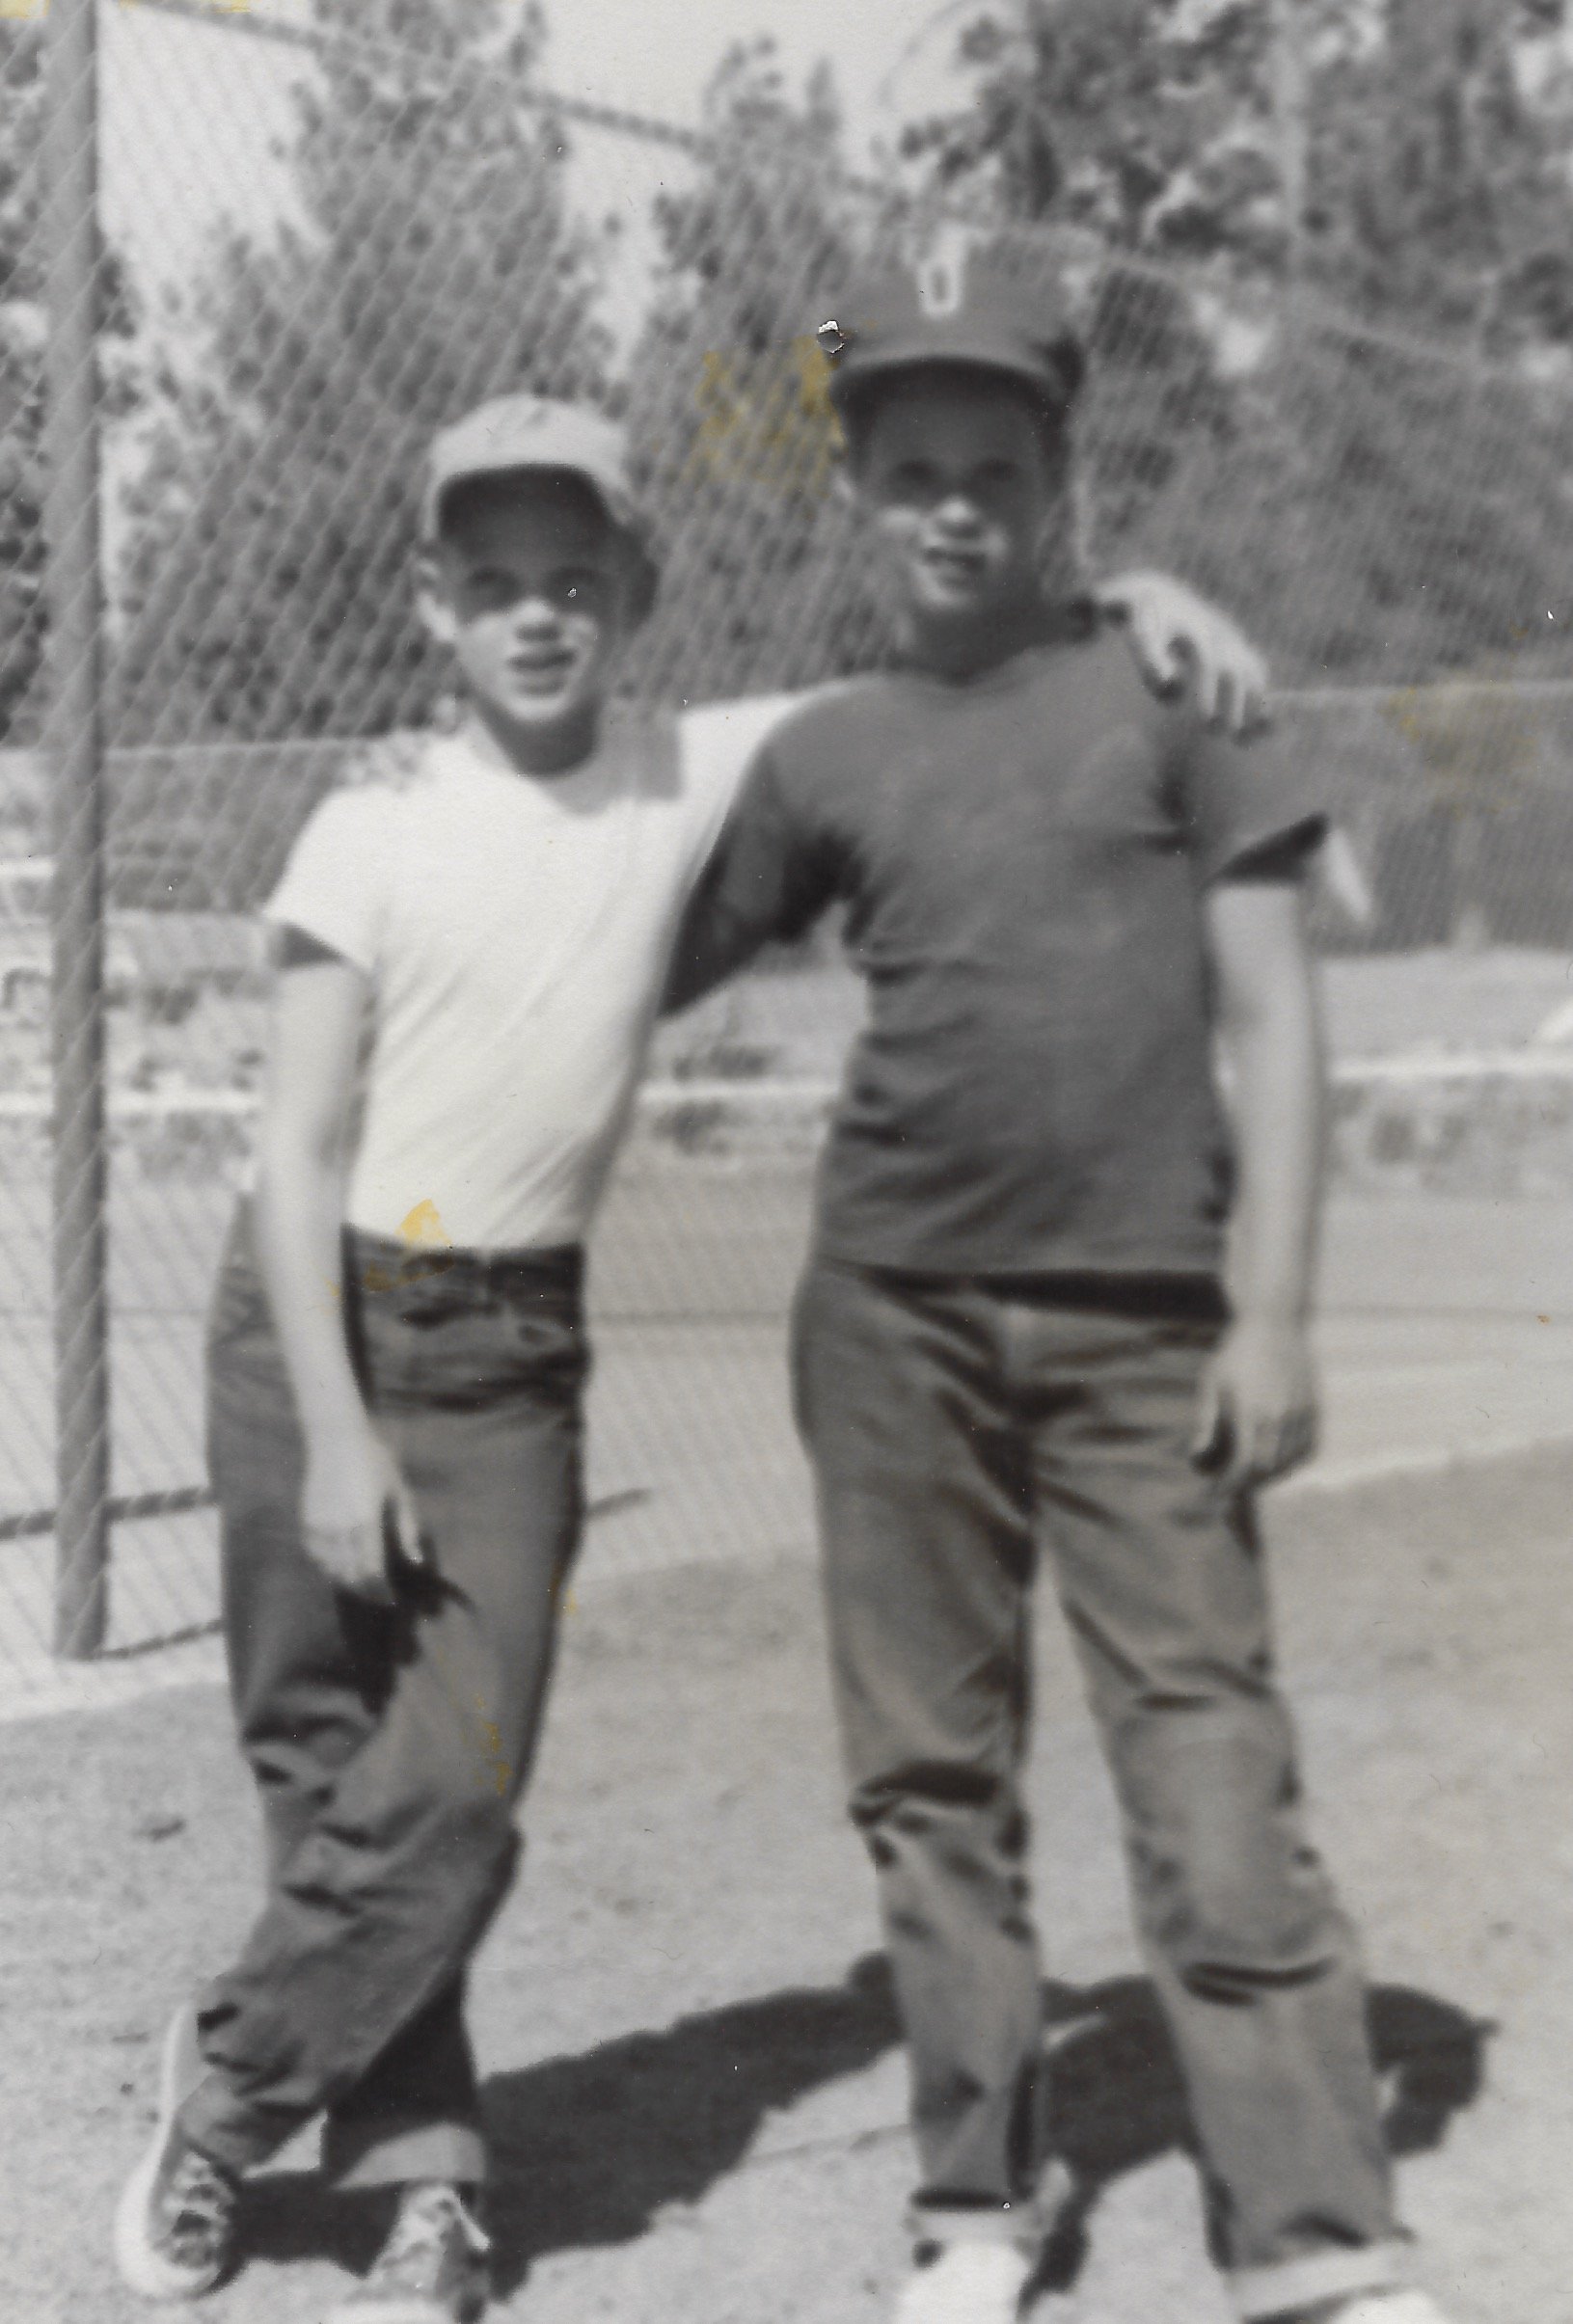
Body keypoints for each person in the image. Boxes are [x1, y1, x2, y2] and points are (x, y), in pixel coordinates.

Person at [113, 387, 1271, 2324]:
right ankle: (421, 2182)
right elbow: (295, 1147)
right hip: (313, 1316)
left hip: (505, 1352)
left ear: (633, 588)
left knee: (458, 1782)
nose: (537, 614)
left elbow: (945, 685)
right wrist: (330, 1430)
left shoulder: (697, 769)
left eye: (576, 578)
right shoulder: (365, 822)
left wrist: (1123, 597)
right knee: (328, 1768)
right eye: (493, 582)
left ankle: (226, 2079)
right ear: (430, 601)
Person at [662, 253, 1449, 2324]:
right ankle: (978, 2208)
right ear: (857, 494)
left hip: (1146, 1331)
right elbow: (638, 949)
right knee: (930, 1770)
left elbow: (1278, 1028)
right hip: (892, 1318)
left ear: (1057, 478)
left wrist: (1269, 1311)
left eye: (992, 465)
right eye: (906, 466)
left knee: (1206, 1759)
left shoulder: (1176, 694)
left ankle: (1317, 2239)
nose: (950, 502)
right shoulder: (823, 749)